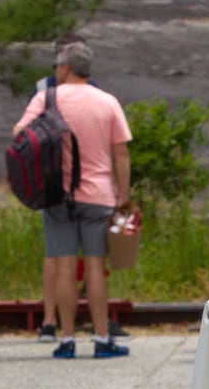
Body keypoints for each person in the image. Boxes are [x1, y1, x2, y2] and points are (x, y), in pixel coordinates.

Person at [14, 40, 133, 359]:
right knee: (95, 264)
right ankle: (101, 337)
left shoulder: (46, 99)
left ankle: (66, 338)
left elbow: (19, 133)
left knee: (64, 265)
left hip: (56, 193)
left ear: (65, 68)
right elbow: (120, 152)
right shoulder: (107, 102)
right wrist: (123, 193)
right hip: (98, 194)